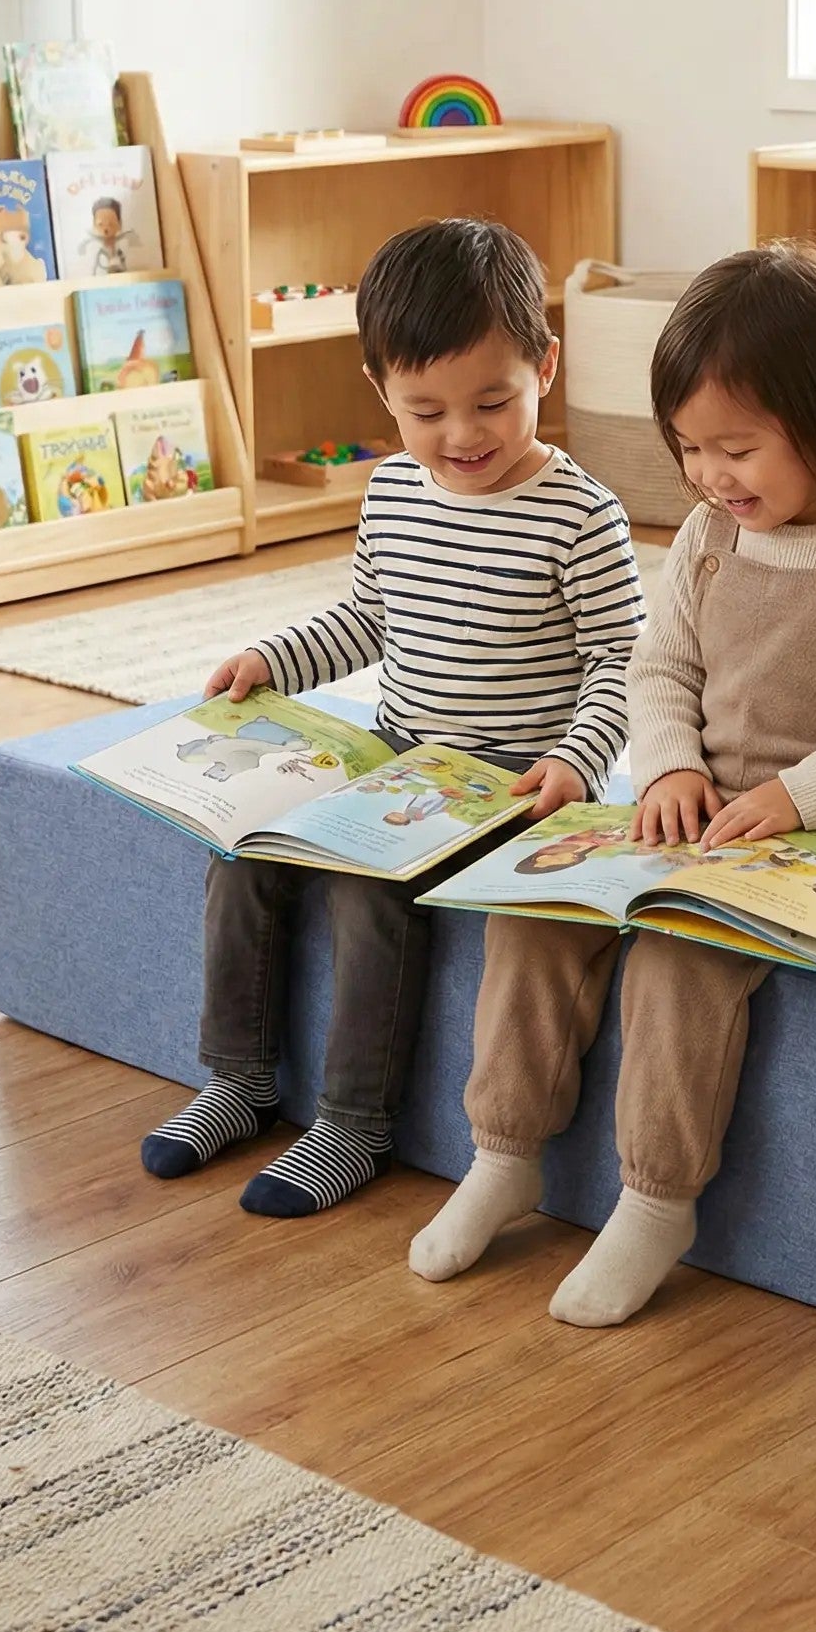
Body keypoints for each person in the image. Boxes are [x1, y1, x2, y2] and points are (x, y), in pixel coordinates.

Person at [410, 240, 816, 1321]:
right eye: (690, 448)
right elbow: (658, 664)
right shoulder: (711, 534)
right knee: (530, 911)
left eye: (739, 447)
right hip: (702, 817)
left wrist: (798, 797)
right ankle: (504, 1149)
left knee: (681, 955)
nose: (714, 475)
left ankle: (654, 1198)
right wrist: (669, 760)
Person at [140, 218, 643, 1215]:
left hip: (506, 777)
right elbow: (369, 614)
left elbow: (623, 659)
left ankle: (352, 1123)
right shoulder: (391, 493)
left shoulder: (581, 514)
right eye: (425, 410)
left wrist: (577, 761)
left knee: (366, 886)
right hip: (396, 751)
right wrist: (270, 659)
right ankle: (237, 1079)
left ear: (545, 364)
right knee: (244, 848)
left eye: (493, 402)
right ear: (380, 390)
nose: (462, 436)